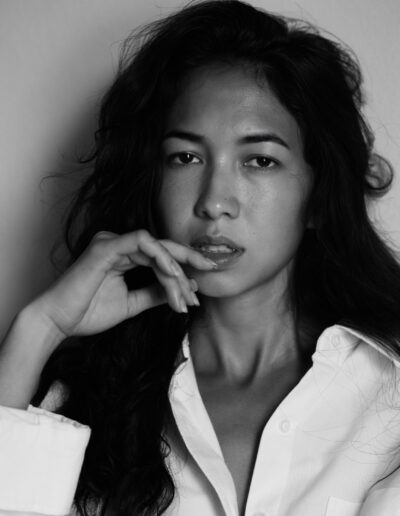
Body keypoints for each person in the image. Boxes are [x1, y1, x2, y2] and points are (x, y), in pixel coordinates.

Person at [0, 0, 400, 515]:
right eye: (186, 157)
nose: (213, 201)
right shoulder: (85, 404)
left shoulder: (388, 389)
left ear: (320, 196)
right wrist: (41, 327)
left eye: (260, 160)